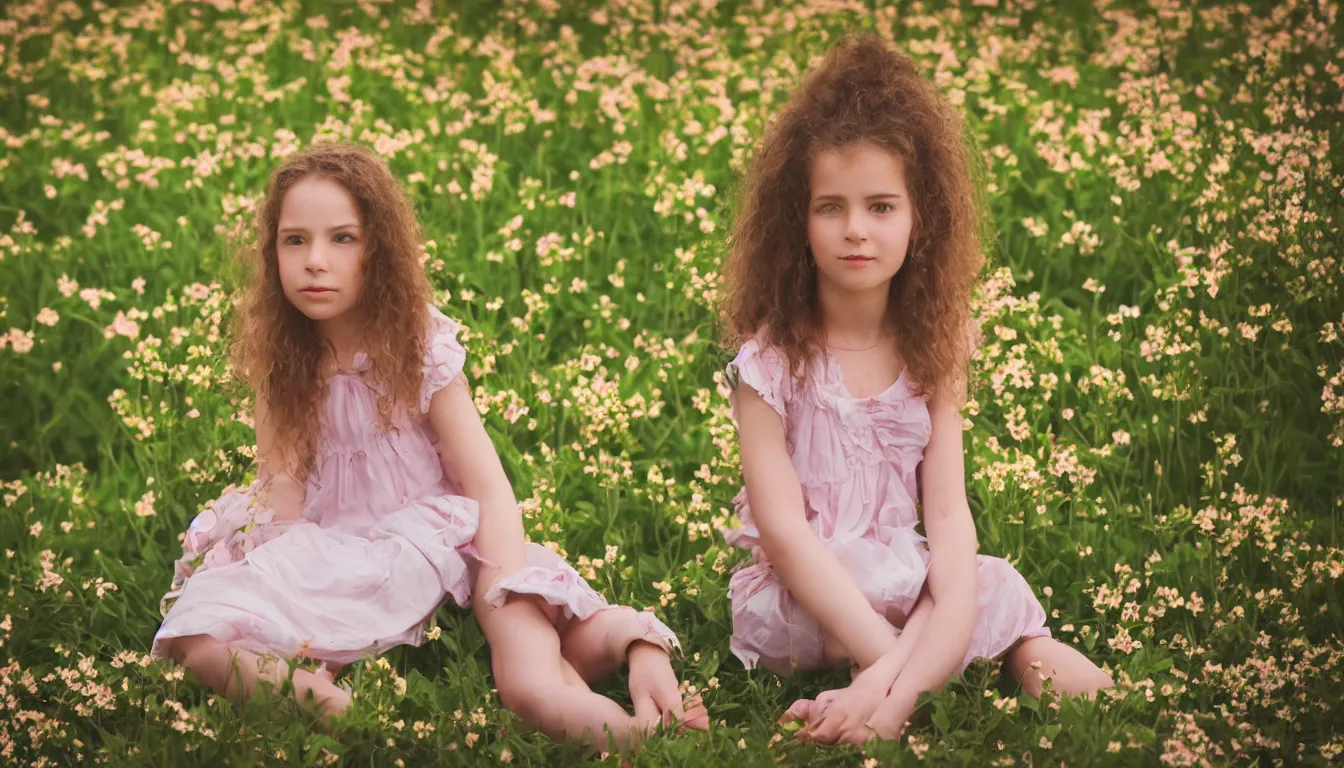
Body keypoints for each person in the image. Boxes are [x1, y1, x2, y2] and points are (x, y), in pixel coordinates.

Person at [150, 143, 708, 751]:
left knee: (527, 681)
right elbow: (283, 497)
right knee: (192, 636)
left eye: (342, 239)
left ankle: (638, 707)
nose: (315, 261)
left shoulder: (418, 349)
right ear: (272, 252)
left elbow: (489, 491)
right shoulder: (285, 363)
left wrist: (503, 587)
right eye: (294, 241)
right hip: (336, 545)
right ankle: (325, 703)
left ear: (378, 250)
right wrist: (307, 616)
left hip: (446, 538)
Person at [717, 34, 1112, 745]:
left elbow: (950, 519)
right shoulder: (769, 363)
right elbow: (784, 532)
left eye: (881, 207)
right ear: (796, 222)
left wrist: (882, 682)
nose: (856, 231)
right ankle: (940, 670)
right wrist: (882, 651)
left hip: (903, 579)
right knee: (958, 598)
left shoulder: (936, 345)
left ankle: (912, 692)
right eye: (830, 207)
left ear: (920, 216)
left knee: (980, 576)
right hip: (809, 598)